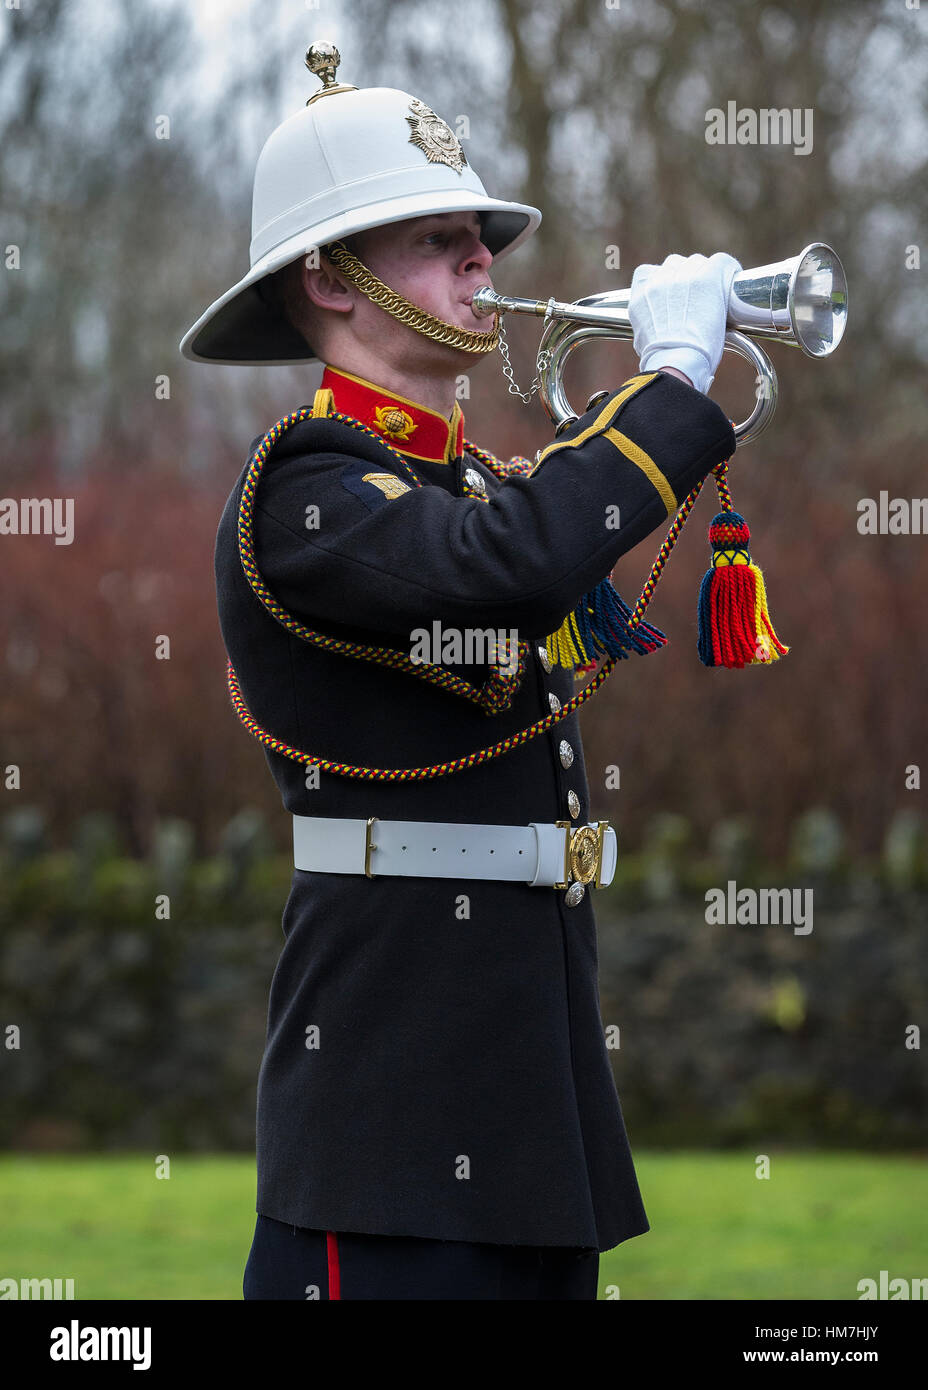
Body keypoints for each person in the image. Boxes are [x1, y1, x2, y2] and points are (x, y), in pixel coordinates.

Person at [181, 41, 739, 1301]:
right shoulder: (305, 489)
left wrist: (658, 402)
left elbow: (523, 547)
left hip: (529, 1097)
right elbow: (509, 567)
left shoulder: (472, 483)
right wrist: (669, 385)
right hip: (391, 1109)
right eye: (435, 236)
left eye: (480, 234)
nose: (483, 258)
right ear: (325, 280)